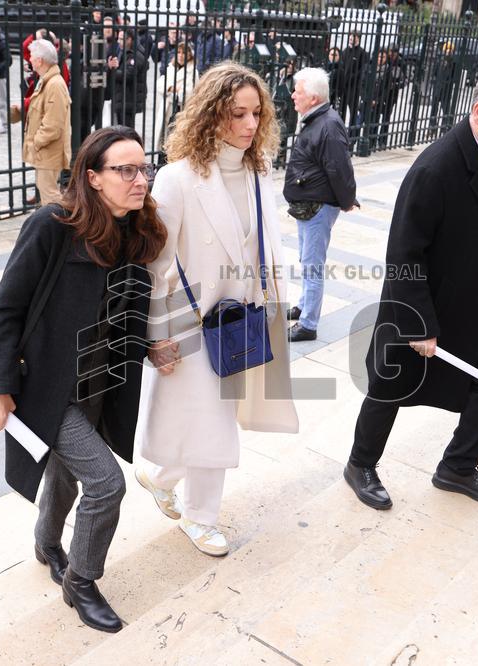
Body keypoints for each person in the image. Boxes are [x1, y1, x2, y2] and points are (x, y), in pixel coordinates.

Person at [0, 126, 167, 633]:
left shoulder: (132, 232)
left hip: (97, 382)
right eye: (125, 170)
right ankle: (81, 582)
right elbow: (6, 309)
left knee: (66, 472)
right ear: (93, 177)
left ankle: (47, 544)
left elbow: (122, 314)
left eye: (144, 169)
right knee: (106, 484)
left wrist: (149, 347)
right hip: (47, 383)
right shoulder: (52, 226)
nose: (140, 180)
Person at [345, 65, 478, 509]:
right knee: (390, 386)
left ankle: (457, 467)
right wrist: (419, 324)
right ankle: (360, 463)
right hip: (421, 305)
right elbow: (403, 254)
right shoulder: (434, 169)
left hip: (477, 304)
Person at [137, 62, 299, 557]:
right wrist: (153, 334)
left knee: (209, 416)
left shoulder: (259, 170)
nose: (250, 125)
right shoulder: (178, 179)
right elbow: (154, 263)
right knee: (210, 421)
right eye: (237, 114)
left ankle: (159, 474)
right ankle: (200, 516)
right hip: (190, 322)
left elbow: (262, 244)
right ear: (211, 115)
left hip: (243, 318)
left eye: (256, 113)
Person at [284, 67, 357, 342]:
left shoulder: (326, 124)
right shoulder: (316, 119)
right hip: (310, 205)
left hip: (318, 207)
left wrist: (347, 200)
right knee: (307, 259)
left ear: (313, 97)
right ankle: (305, 306)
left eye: (298, 91)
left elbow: (339, 168)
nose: (293, 96)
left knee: (313, 264)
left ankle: (308, 324)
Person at [23, 39, 71, 206]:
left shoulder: (54, 84)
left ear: (40, 60)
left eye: (32, 57)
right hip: (46, 150)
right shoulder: (47, 80)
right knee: (47, 193)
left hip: (49, 150)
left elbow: (53, 125)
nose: (29, 60)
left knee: (50, 196)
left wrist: (36, 142)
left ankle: (63, 229)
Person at [154, 42, 197, 155]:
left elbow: (190, 93)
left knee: (177, 142)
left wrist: (174, 90)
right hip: (167, 108)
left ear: (189, 55)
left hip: (180, 110)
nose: (181, 55)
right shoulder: (171, 68)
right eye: (178, 52)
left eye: (184, 53)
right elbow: (159, 84)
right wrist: (171, 88)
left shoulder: (192, 71)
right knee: (163, 141)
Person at [108, 31, 148, 128]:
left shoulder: (136, 55)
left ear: (129, 40)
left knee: (126, 130)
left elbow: (127, 76)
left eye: (121, 39)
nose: (118, 41)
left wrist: (113, 69)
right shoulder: (125, 52)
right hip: (122, 98)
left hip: (128, 99)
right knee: (120, 128)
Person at [339, 31, 368, 133]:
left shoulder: (362, 53)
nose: (351, 39)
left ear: (358, 39)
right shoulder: (344, 51)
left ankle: (352, 136)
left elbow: (362, 70)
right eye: (350, 37)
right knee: (341, 111)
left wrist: (352, 77)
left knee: (353, 112)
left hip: (355, 87)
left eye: (354, 37)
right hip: (344, 87)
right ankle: (341, 132)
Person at [431, 41, 458, 133]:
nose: (448, 52)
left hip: (446, 90)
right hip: (437, 88)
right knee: (434, 108)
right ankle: (432, 127)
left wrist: (448, 82)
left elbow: (455, 78)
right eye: (446, 49)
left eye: (450, 50)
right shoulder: (439, 60)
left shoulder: (454, 63)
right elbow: (434, 73)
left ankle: (444, 128)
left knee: (446, 109)